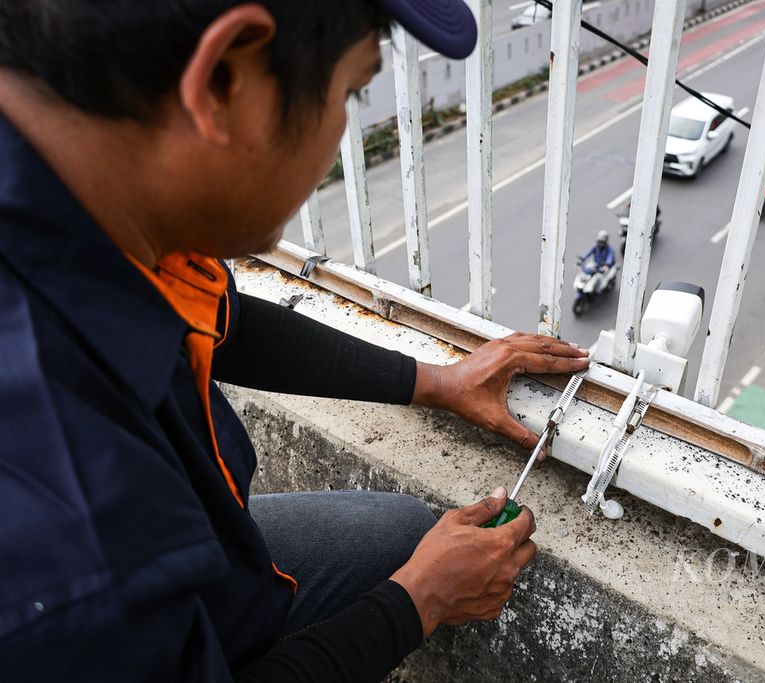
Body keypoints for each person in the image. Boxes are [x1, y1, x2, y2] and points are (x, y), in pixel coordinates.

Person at [0, 1, 591, 681]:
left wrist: (440, 380)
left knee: (398, 534)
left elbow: (228, 326)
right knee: (412, 563)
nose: (345, 123)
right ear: (225, 79)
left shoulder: (88, 199)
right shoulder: (73, 531)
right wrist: (422, 600)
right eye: (353, 89)